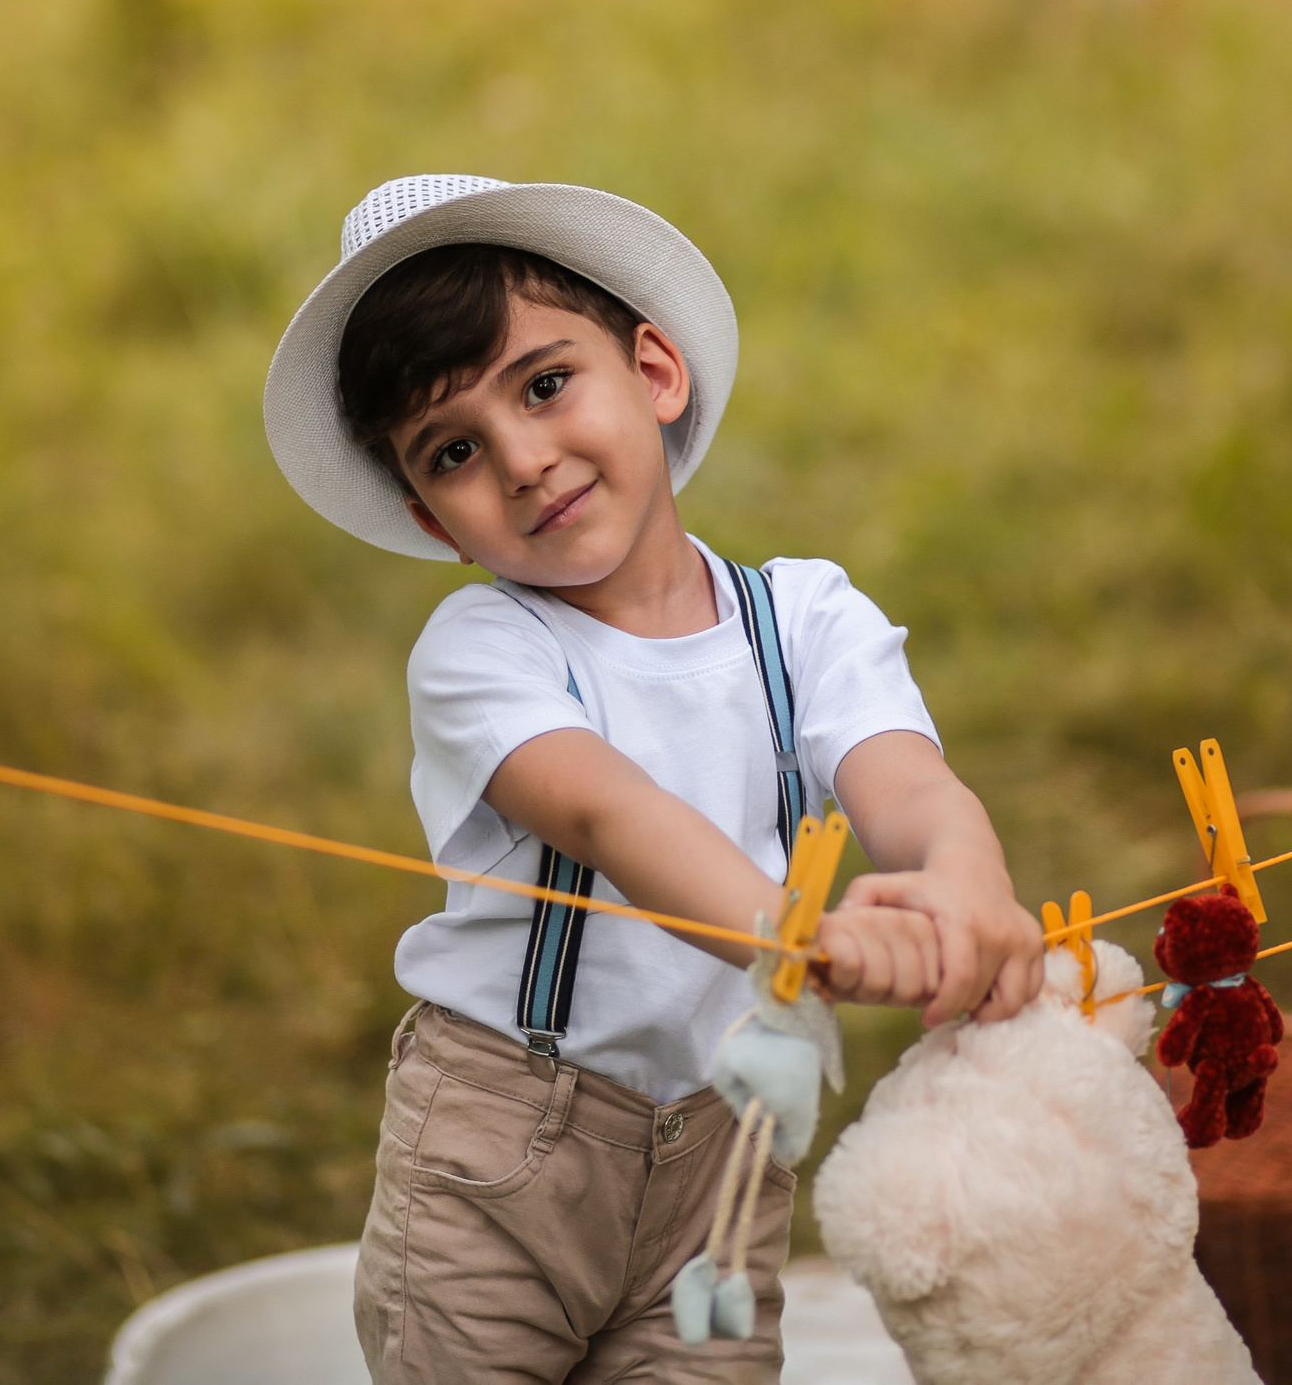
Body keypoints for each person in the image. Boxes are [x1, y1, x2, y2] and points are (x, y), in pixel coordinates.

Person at [263, 175, 1043, 1383]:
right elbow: (607, 811)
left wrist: (967, 887)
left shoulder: (805, 620)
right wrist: (796, 941)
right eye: (456, 450)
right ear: (433, 522)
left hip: (724, 1170)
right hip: (501, 1156)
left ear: (656, 373)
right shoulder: (485, 651)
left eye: (545, 384)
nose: (523, 459)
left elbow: (912, 787)